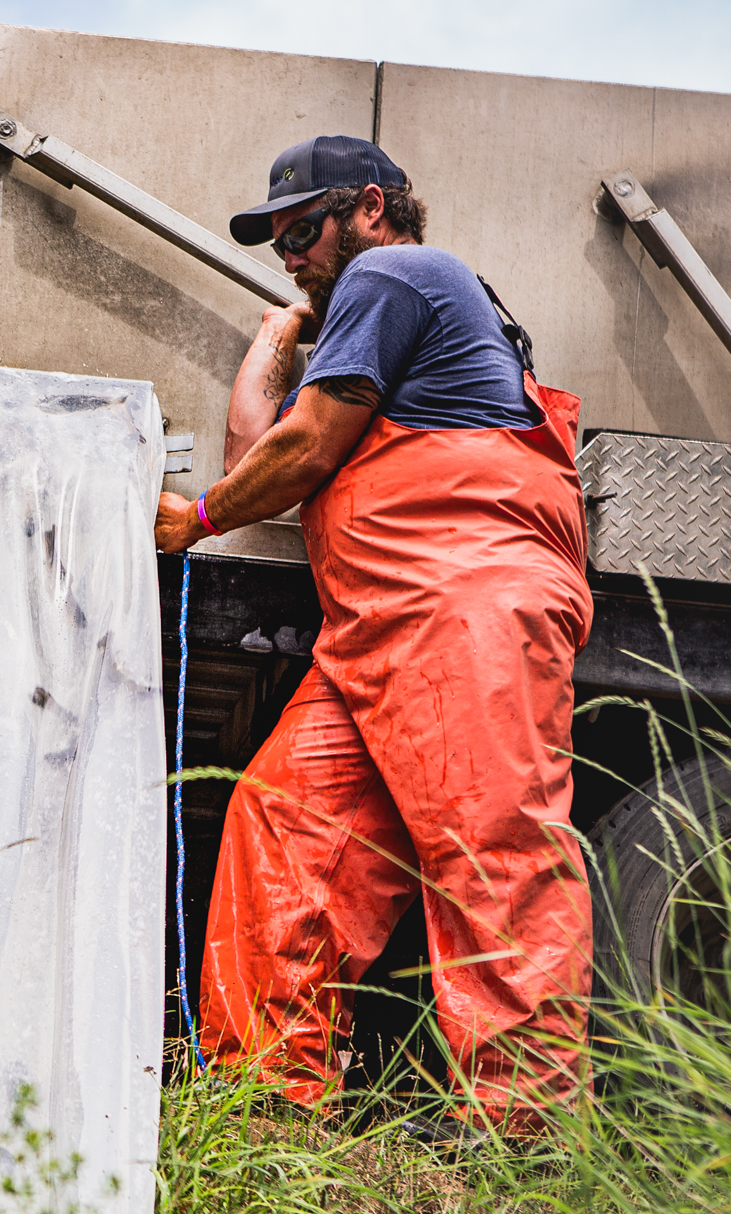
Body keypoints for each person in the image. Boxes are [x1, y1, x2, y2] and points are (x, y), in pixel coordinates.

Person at [151, 135, 593, 1131]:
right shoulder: (363, 314)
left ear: (373, 208)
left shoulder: (399, 273)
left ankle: (524, 1153)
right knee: (281, 825)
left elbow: (296, 455)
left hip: (462, 605)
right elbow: (255, 454)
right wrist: (278, 336)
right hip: (377, 634)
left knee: (497, 860)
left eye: (305, 229)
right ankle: (268, 1111)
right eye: (278, 242)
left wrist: (198, 521)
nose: (293, 252)